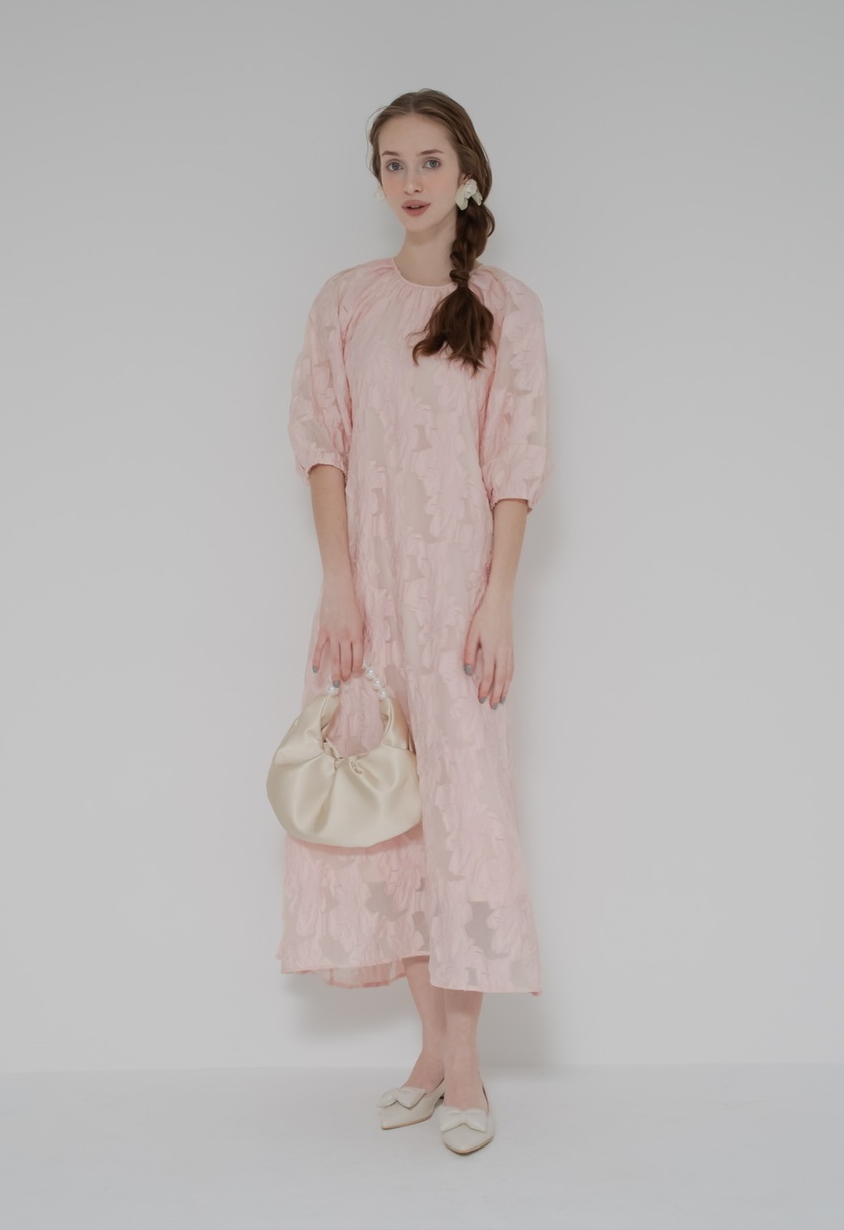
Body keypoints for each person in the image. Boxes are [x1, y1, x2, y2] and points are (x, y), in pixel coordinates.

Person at [276, 89, 551, 1155]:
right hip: (369, 600)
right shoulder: (345, 302)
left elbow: (516, 465)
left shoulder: (508, 307)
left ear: (465, 170)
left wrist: (498, 600)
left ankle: (465, 1065)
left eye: (429, 159)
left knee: (463, 818)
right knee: (389, 815)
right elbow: (323, 447)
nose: (411, 181)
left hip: (459, 603)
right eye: (392, 163)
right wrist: (337, 584)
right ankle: (430, 1056)